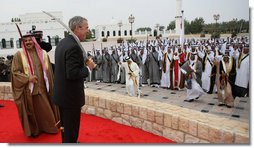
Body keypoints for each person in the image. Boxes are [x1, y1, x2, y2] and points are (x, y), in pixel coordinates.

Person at [53, 16, 96, 143]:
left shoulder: (63, 42)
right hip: (70, 98)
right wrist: (88, 68)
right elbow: (72, 73)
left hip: (62, 96)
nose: (88, 31)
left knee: (65, 128)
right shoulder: (73, 46)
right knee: (71, 129)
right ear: (77, 28)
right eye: (86, 28)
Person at [11, 33, 60, 137]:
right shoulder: (19, 55)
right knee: (32, 112)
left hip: (43, 89)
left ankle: (49, 128)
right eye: (26, 41)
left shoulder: (43, 54)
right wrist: (28, 78)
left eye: (30, 40)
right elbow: (15, 72)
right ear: (23, 42)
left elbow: (50, 72)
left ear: (34, 41)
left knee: (46, 111)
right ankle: (35, 130)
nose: (28, 42)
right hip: (29, 90)